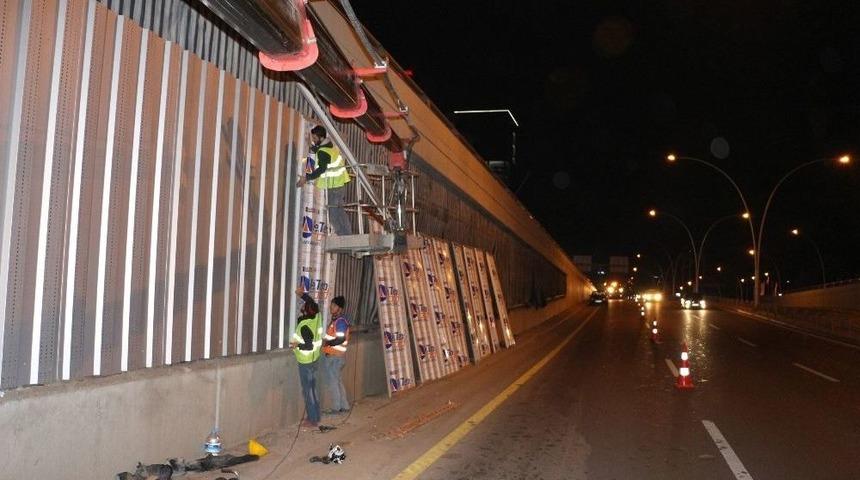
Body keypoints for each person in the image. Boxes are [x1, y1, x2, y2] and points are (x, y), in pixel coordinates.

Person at [296, 125, 352, 235]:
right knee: (340, 212)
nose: (313, 140)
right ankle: (347, 235)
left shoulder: (323, 152)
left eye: (315, 138)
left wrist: (306, 178)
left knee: (333, 214)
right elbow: (320, 151)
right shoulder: (330, 147)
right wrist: (311, 146)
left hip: (334, 186)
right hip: (339, 185)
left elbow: (321, 169)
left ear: (321, 138)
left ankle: (343, 236)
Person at [290, 286, 324, 428]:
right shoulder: (317, 317)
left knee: (308, 390)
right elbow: (312, 303)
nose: (302, 306)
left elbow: (308, 346)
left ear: (306, 311)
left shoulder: (304, 326)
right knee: (313, 389)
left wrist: (297, 345)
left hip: (306, 362)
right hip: (314, 359)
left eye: (304, 306)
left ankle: (312, 419)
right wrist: (302, 294)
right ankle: (316, 415)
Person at [322, 295, 351, 414]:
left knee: (333, 382)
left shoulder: (340, 321)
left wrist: (327, 343)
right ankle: (344, 406)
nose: (331, 307)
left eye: (334, 305)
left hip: (335, 357)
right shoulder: (336, 321)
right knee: (337, 381)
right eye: (331, 305)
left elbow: (341, 339)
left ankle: (336, 408)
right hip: (335, 356)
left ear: (340, 308)